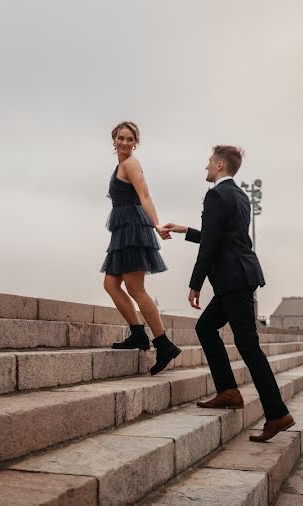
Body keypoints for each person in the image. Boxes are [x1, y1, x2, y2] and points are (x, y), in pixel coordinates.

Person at [161, 145, 293, 442]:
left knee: (248, 346)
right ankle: (229, 391)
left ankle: (277, 413)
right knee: (206, 328)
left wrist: (195, 284)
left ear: (220, 165)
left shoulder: (216, 195)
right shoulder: (239, 195)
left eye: (209, 162)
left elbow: (211, 247)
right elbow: (221, 236)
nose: (206, 167)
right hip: (238, 276)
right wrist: (186, 230)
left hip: (233, 279)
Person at [101, 121, 181, 375]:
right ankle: (138, 334)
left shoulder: (131, 164)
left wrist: (156, 225)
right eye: (121, 138)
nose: (125, 142)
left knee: (136, 289)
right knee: (111, 285)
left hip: (133, 229)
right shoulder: (120, 166)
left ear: (135, 143)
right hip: (123, 229)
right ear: (113, 139)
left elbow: (145, 195)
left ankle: (163, 343)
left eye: (130, 139)